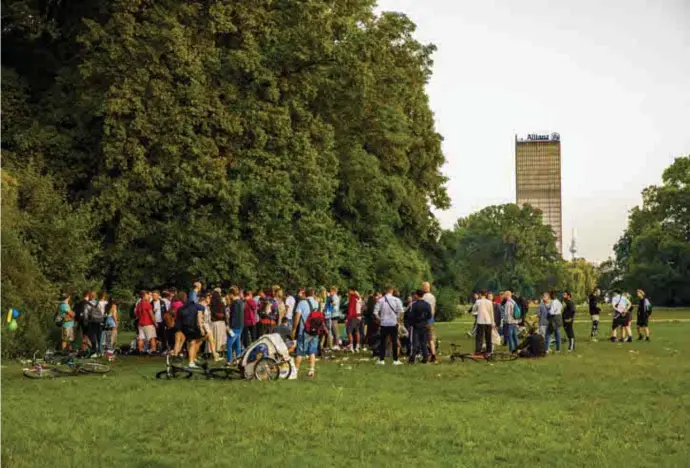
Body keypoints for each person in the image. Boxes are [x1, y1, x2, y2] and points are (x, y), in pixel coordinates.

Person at [292, 288, 321, 378]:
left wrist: (294, 328)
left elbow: (297, 317)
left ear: (305, 294)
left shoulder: (302, 303)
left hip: (304, 330)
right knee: (312, 351)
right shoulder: (317, 303)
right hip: (315, 330)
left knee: (300, 352)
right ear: (313, 294)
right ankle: (311, 371)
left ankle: (295, 371)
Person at [373, 286, 405, 365]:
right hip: (393, 323)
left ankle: (381, 359)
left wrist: (380, 319)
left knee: (383, 341)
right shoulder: (396, 300)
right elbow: (401, 311)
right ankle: (395, 360)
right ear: (392, 291)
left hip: (384, 323)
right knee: (394, 341)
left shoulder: (380, 300)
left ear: (385, 291)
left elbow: (375, 312)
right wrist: (398, 320)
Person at [179, 295, 207, 368]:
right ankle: (191, 361)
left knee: (196, 342)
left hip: (185, 328)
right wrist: (201, 328)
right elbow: (199, 317)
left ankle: (193, 359)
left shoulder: (182, 308)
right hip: (193, 327)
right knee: (194, 343)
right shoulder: (199, 307)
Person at [407, 290, 432, 363]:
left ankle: (412, 358)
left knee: (414, 343)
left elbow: (410, 315)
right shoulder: (427, 304)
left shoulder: (414, 305)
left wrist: (411, 322)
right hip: (424, 325)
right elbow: (430, 315)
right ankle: (425, 358)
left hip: (415, 325)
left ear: (417, 295)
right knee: (423, 342)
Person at [226, 286, 244, 363]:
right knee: (237, 345)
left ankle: (229, 360)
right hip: (240, 325)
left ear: (231, 294)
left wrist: (230, 327)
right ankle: (238, 360)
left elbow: (234, 315)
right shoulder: (241, 302)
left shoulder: (234, 303)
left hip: (234, 326)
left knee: (229, 344)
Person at [422, 282, 438, 363]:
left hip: (424, 319)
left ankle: (425, 355)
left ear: (425, 288)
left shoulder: (423, 297)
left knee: (424, 338)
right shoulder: (433, 297)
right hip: (431, 319)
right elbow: (434, 308)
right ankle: (433, 355)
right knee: (431, 338)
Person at [85, 291, 104, 356]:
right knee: (99, 336)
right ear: (95, 296)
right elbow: (102, 312)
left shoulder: (87, 304)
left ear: (90, 296)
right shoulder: (98, 303)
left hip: (92, 321)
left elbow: (86, 314)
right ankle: (100, 351)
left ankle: (94, 351)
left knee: (92, 336)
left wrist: (86, 321)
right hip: (99, 321)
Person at [345, 287, 362, 352]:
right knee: (357, 331)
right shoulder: (358, 298)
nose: (348, 293)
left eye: (349, 291)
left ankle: (351, 346)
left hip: (353, 317)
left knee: (349, 332)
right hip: (359, 317)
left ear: (352, 291)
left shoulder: (352, 298)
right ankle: (357, 346)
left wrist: (347, 318)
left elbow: (351, 309)